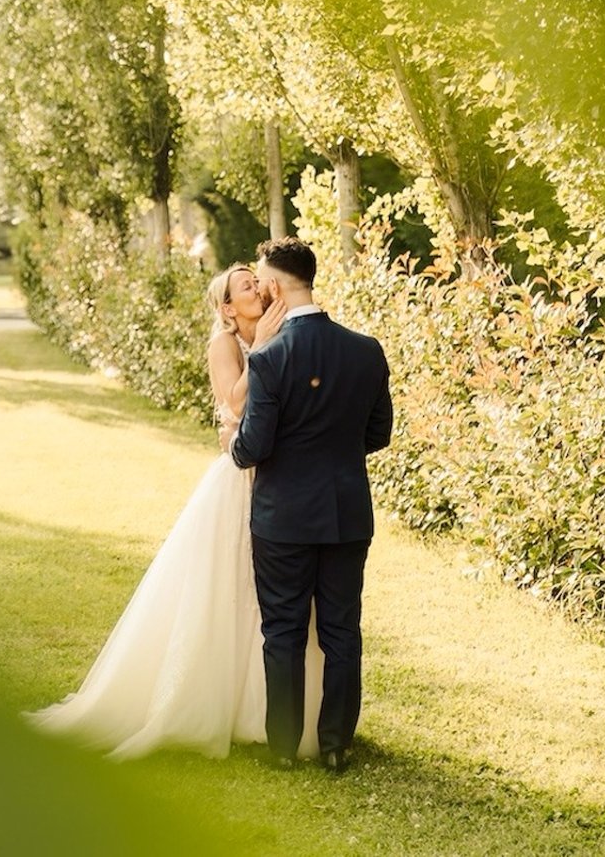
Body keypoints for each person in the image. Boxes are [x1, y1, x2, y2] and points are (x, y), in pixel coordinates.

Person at [27, 262, 322, 759]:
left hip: (282, 478)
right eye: (245, 286)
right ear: (228, 308)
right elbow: (231, 401)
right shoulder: (226, 345)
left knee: (276, 596)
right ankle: (210, 704)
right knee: (227, 586)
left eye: (256, 281)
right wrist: (265, 348)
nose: (257, 287)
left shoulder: (286, 329)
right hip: (239, 478)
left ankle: (269, 712)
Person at [231, 236, 392, 773]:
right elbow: (379, 432)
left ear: (274, 287)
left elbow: (252, 447)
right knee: (343, 630)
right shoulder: (365, 350)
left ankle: (282, 749)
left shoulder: (270, 357)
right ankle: (335, 745)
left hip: (283, 518)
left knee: (283, 630)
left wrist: (232, 440)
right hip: (347, 512)